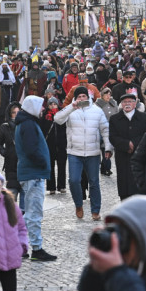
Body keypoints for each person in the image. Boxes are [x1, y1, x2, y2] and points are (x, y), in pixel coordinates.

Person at [54, 86, 113, 221]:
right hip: (74, 151)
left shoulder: (97, 111)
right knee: (74, 180)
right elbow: (57, 119)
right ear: (75, 98)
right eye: (79, 97)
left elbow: (105, 129)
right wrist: (71, 107)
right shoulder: (71, 110)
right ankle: (78, 205)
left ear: (88, 97)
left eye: (83, 96)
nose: (81, 99)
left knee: (94, 182)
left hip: (92, 152)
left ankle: (95, 210)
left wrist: (108, 147)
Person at [15, 95, 56, 262]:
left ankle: (21, 245)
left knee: (30, 213)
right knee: (34, 213)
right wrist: (42, 162)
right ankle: (36, 249)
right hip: (33, 173)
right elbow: (31, 150)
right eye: (40, 106)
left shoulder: (25, 123)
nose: (42, 109)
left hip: (31, 173)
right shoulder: (28, 124)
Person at [108, 90, 146, 199]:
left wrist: (134, 144)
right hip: (123, 155)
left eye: (130, 101)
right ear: (121, 104)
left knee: (139, 183)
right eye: (124, 102)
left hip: (139, 154)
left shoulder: (144, 117)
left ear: (135, 103)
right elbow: (112, 137)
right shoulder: (114, 119)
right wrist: (126, 144)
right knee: (124, 184)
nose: (127, 104)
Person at [41, 96, 68, 195]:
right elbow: (42, 130)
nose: (53, 106)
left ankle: (62, 186)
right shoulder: (44, 115)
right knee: (50, 167)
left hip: (61, 145)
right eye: (51, 104)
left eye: (54, 104)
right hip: (49, 145)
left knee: (62, 166)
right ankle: (51, 187)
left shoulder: (62, 114)